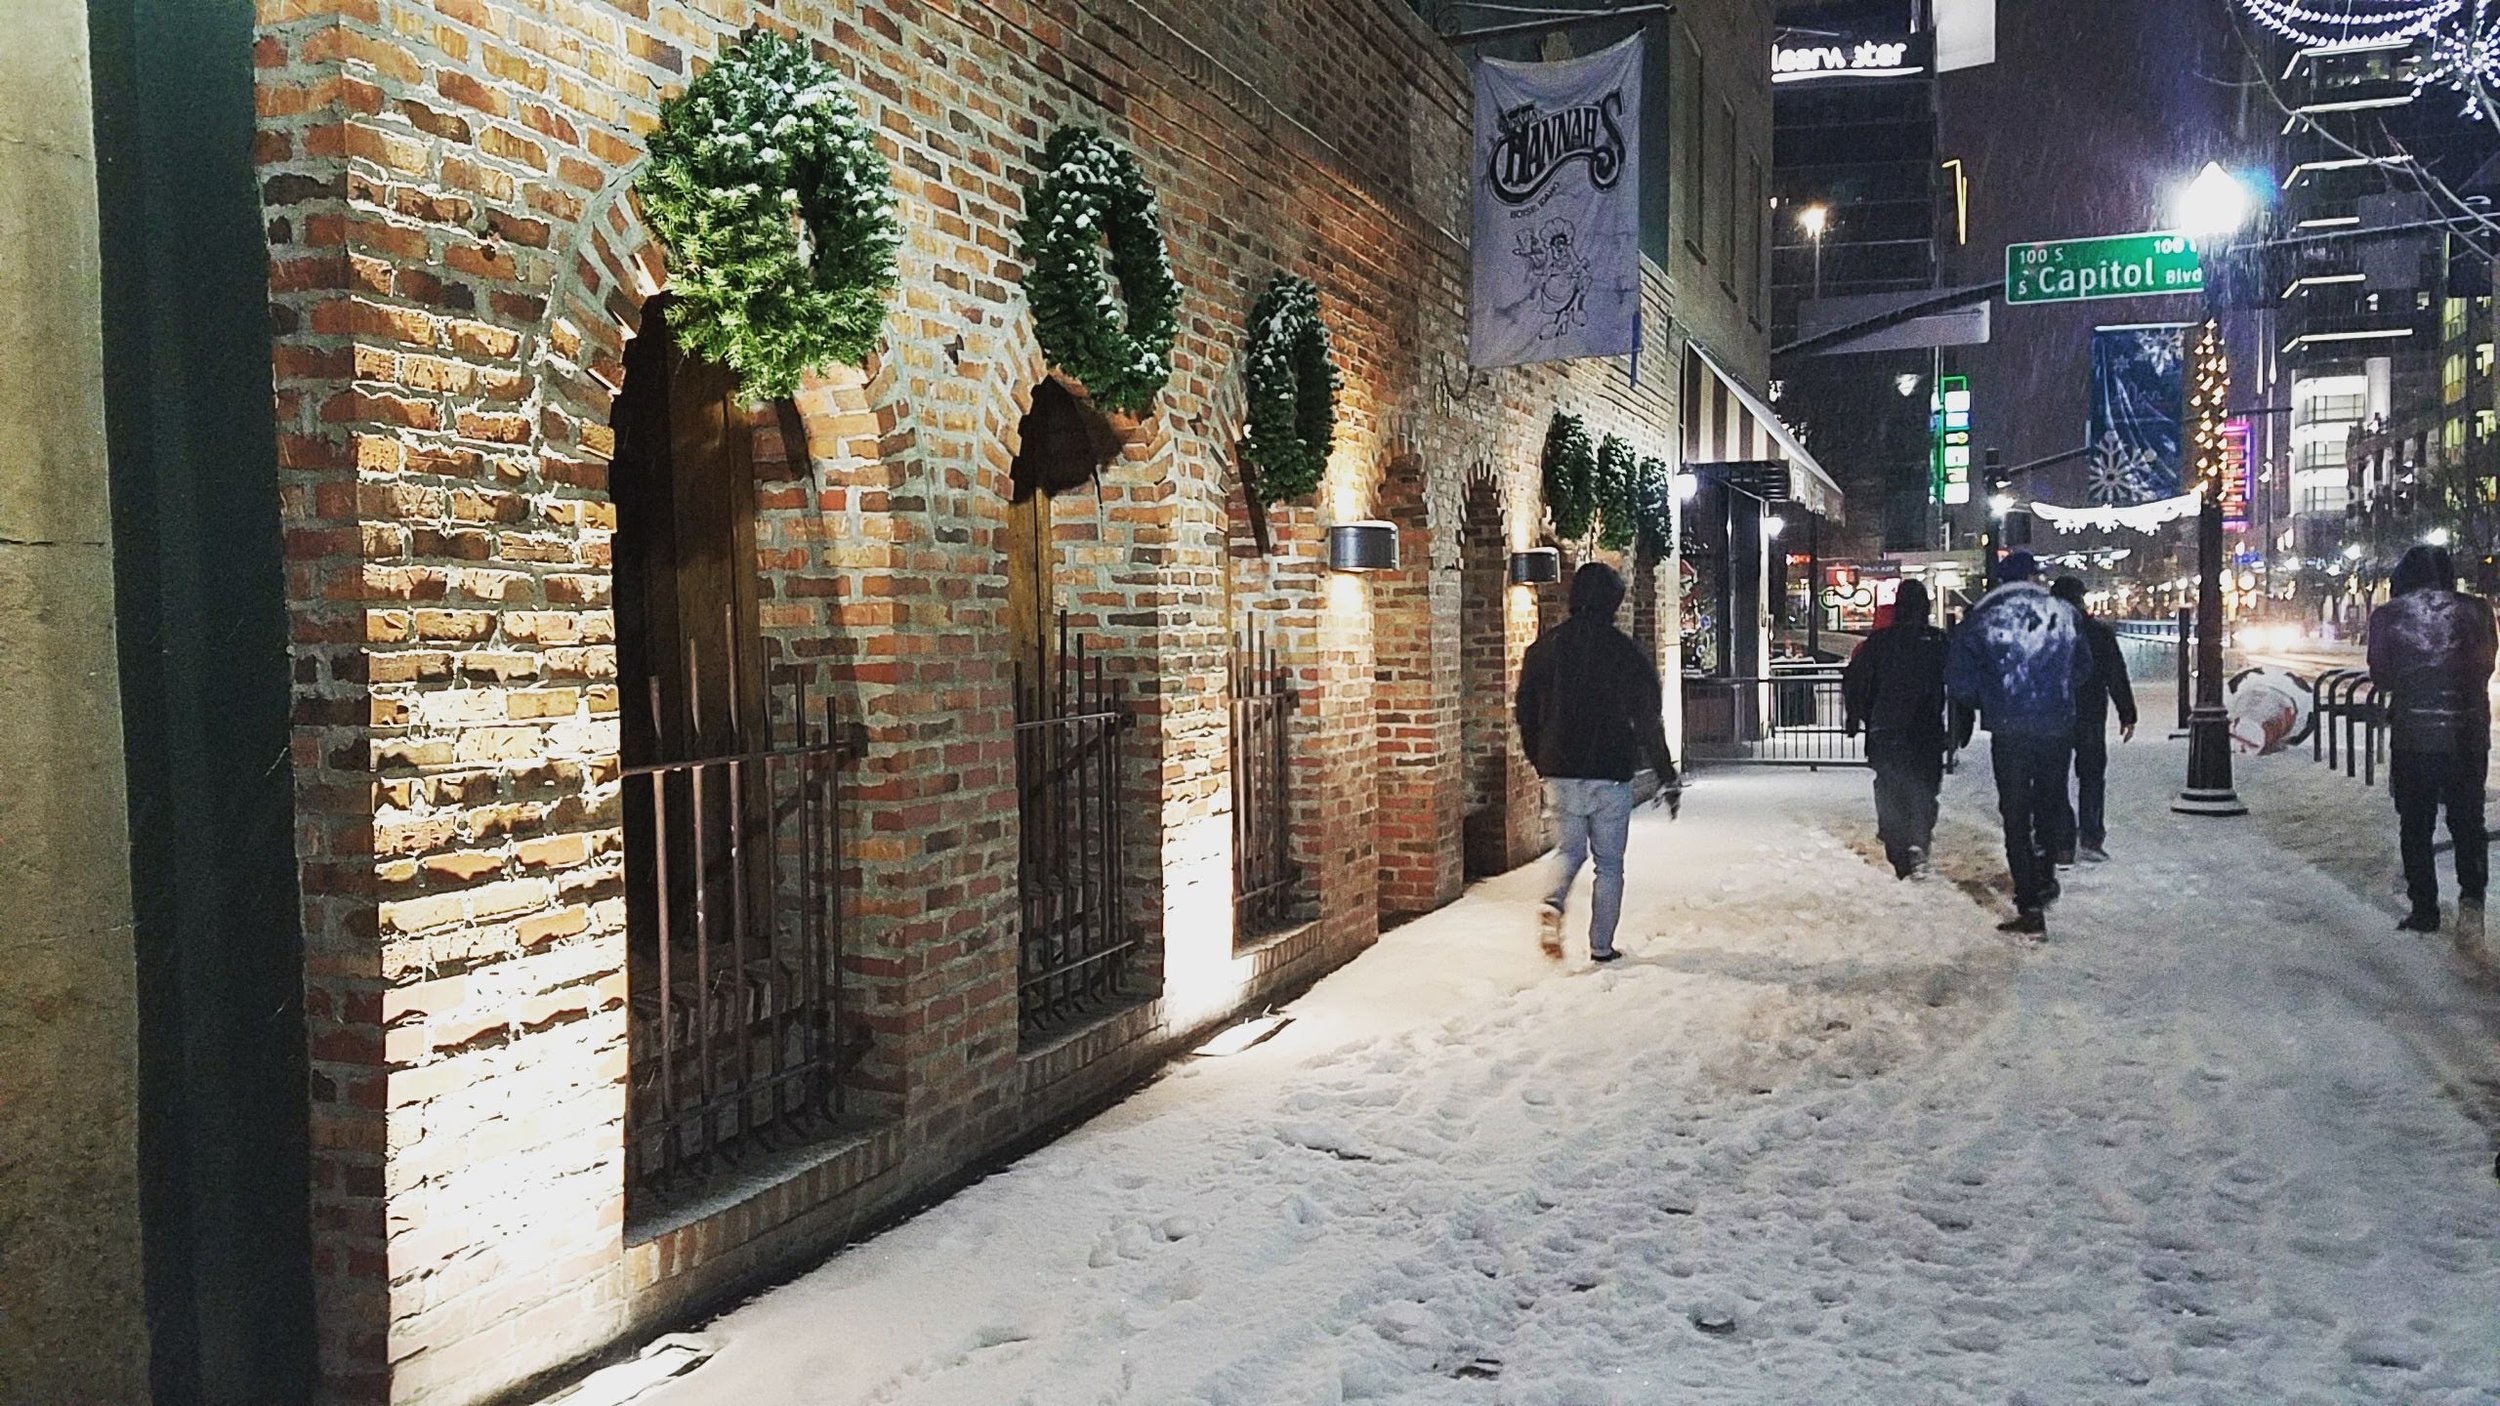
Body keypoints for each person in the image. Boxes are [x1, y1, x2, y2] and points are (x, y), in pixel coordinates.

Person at [1515, 562, 1681, 962]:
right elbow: (1648, 719)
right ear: (1613, 601)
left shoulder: (1544, 649)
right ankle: (1602, 947)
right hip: (1610, 771)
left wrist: (1540, 758)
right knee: (1609, 865)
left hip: (1560, 768)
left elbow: (1525, 711)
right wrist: (1666, 774)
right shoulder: (1626, 653)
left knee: (1568, 850)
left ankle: (1552, 903)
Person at [1945, 551, 2091, 938]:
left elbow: (1959, 680)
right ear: (2032, 577)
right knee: (2049, 803)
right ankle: (2045, 877)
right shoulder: (2064, 613)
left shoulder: (1983, 617)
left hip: (2010, 729)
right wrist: (2055, 690)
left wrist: (1993, 699)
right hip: (2056, 725)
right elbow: (2083, 667)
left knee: (2014, 812)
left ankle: (2028, 901)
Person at [2366, 544, 2496, 933]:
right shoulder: (2478, 611)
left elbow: (2381, 676)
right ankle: (2472, 899)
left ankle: (2424, 908)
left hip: (2414, 737)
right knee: (2468, 821)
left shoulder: (2388, 616)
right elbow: (2487, 665)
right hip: (2468, 735)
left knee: (2416, 824)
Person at [1842, 579, 1951, 879]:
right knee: (1924, 788)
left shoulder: (1878, 643)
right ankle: (1918, 838)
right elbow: (1958, 685)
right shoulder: (1938, 642)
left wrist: (1856, 717)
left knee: (1889, 787)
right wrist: (1958, 728)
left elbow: (1856, 683)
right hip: (1926, 729)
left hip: (1886, 728)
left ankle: (1897, 846)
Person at [2051, 576, 2138, 864]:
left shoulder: (2045, 633)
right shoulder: (2099, 633)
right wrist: (2127, 712)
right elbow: (2116, 673)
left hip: (2054, 714)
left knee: (2054, 777)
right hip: (2090, 713)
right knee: (2091, 775)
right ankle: (2090, 837)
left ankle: (2061, 840)